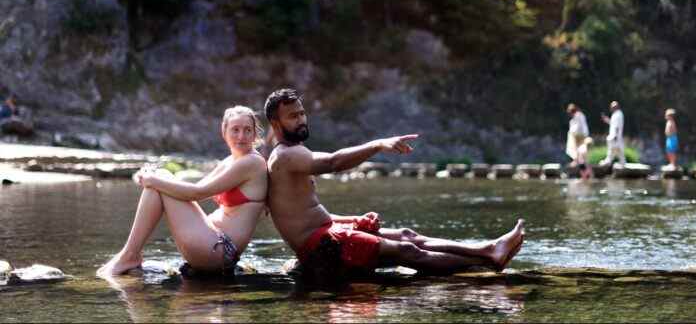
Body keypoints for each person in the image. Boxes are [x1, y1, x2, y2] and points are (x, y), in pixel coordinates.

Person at [264, 88, 525, 280]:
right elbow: (332, 163)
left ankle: (489, 249)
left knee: (407, 235)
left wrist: (352, 218)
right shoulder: (287, 155)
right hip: (321, 249)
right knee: (407, 250)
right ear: (275, 123)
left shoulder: (291, 152)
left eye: (302, 113)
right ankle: (490, 259)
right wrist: (378, 144)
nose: (301, 120)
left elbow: (306, 212)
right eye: (292, 116)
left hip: (327, 230)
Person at [97, 105, 268, 277]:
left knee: (159, 180)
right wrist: (154, 178)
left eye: (247, 130)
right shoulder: (230, 161)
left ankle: (130, 255)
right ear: (224, 132)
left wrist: (153, 179)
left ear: (255, 134)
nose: (241, 136)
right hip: (211, 243)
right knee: (160, 181)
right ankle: (129, 254)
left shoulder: (252, 162)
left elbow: (197, 193)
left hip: (220, 250)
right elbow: (195, 190)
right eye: (235, 130)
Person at [600, 100, 626, 166]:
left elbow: (617, 126)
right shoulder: (615, 114)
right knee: (617, 151)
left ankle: (608, 162)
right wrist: (605, 119)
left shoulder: (618, 114)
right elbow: (612, 124)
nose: (611, 108)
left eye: (612, 107)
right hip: (614, 136)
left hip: (615, 137)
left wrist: (615, 136)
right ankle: (621, 163)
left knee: (615, 151)